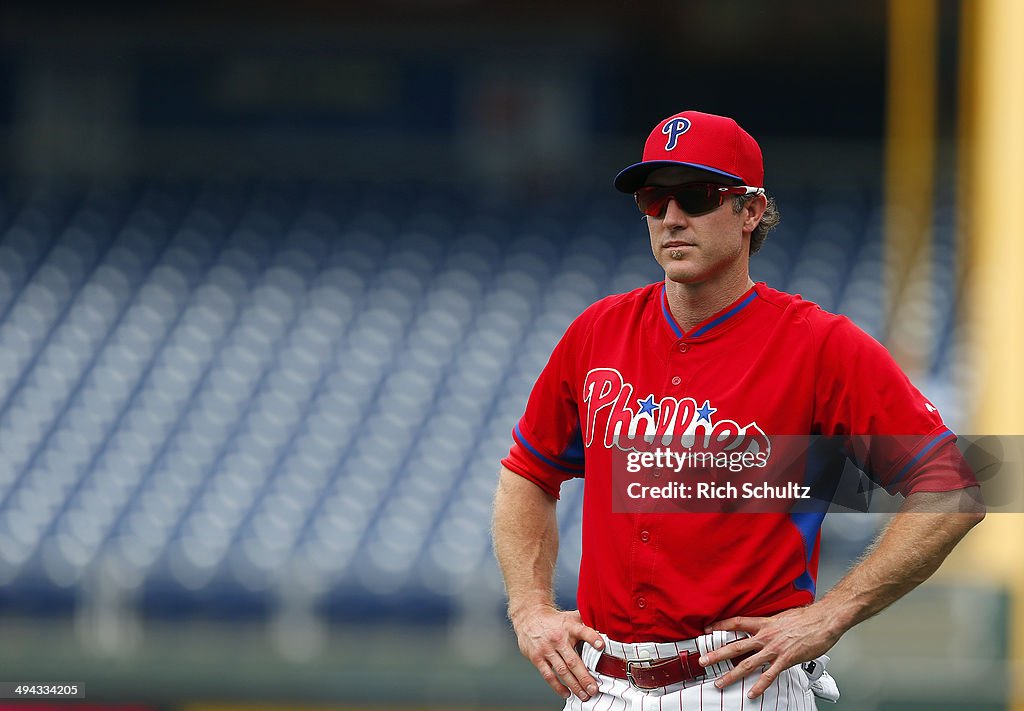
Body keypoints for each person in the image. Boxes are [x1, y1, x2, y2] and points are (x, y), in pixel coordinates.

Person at [491, 109, 984, 709]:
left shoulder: (818, 345)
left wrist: (832, 614)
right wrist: (530, 609)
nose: (671, 218)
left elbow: (951, 488)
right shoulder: (598, 331)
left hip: (740, 684)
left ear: (750, 211)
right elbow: (528, 472)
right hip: (602, 685)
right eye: (654, 199)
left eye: (696, 196)